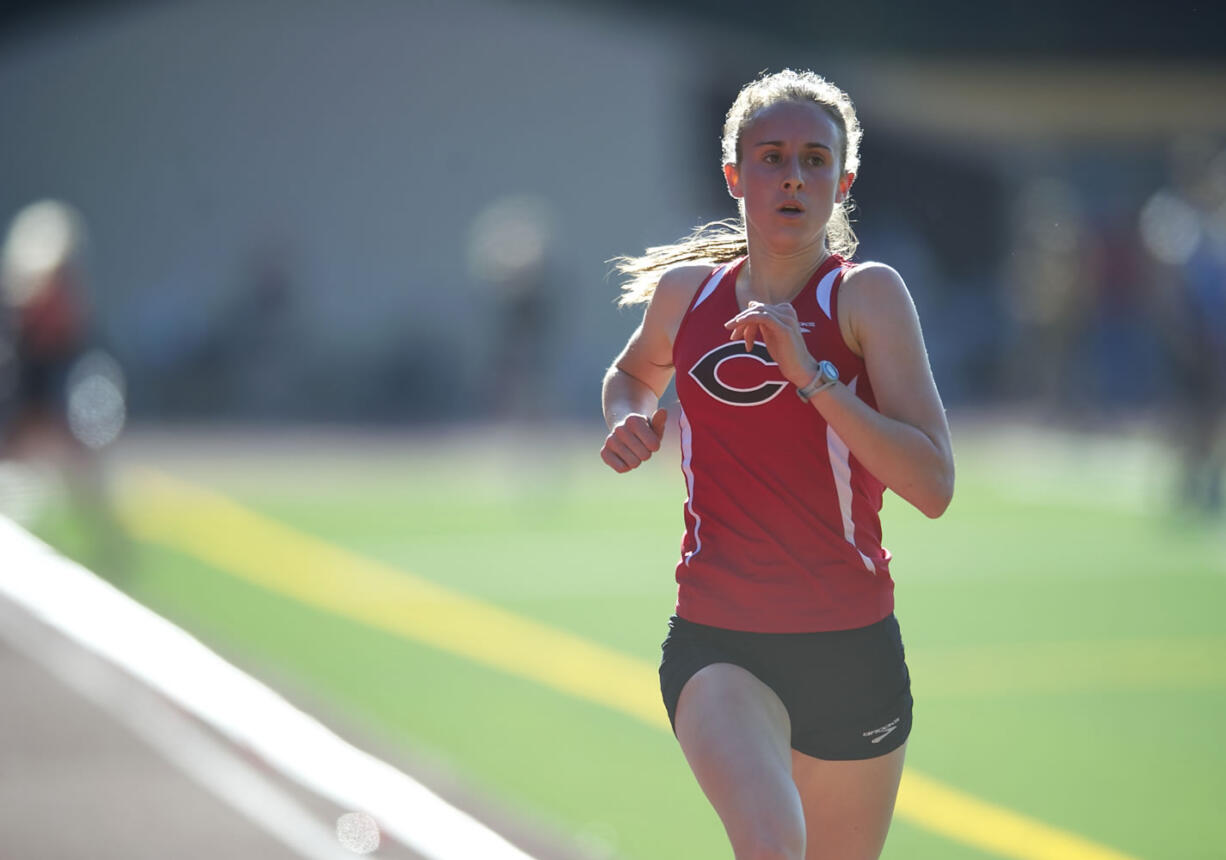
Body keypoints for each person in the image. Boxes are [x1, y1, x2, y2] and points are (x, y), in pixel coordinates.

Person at [599, 70, 954, 860]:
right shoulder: (686, 296)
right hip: (719, 641)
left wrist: (813, 376)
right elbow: (630, 375)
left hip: (853, 649)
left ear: (844, 179)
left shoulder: (866, 297)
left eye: (814, 159)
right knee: (770, 843)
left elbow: (933, 486)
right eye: (770, 156)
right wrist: (630, 420)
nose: (793, 175)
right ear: (734, 175)